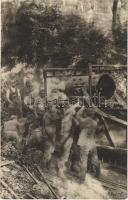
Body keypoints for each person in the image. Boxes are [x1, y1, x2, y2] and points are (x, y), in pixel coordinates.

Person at [75, 107, 100, 183]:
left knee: (83, 161)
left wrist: (82, 108)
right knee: (95, 159)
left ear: (86, 114)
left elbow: (77, 115)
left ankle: (81, 179)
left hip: (84, 143)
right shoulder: (95, 123)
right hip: (92, 143)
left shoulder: (83, 121)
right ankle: (97, 173)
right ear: (92, 115)